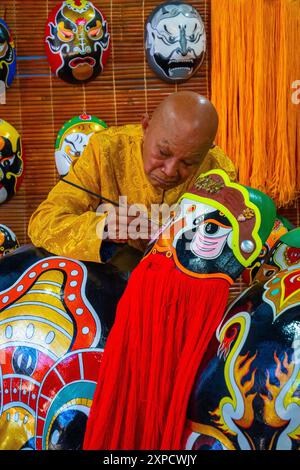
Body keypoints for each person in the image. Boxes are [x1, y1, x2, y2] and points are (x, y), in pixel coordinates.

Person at [28, 91, 236, 270]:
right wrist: (103, 227)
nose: (170, 171)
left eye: (189, 162)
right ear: (145, 126)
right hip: (110, 289)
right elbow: (43, 223)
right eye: (163, 153)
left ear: (208, 151)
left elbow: (229, 253)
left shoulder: (217, 173)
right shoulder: (105, 151)